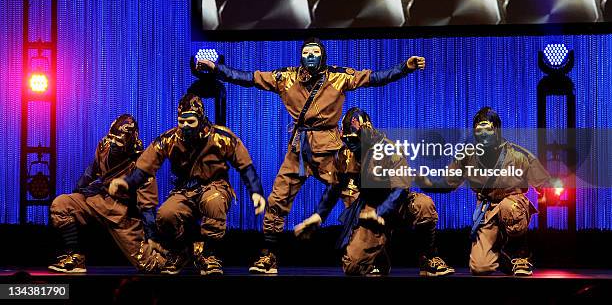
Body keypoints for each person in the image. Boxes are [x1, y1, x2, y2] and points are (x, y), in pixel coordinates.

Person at [196, 38, 426, 273]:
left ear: (323, 55)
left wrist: (404, 67)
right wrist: (218, 69)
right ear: (301, 55)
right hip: (299, 149)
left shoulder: (338, 77)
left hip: (331, 149)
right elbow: (250, 78)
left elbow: (374, 77)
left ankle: (372, 253)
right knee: (278, 200)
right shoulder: (286, 78)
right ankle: (269, 256)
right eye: (306, 52)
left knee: (353, 196)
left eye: (316, 51)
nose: (311, 55)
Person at [109, 94, 265, 275]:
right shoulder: (170, 139)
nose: (185, 126)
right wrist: (126, 182)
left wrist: (256, 191)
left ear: (200, 118)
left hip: (215, 186)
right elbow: (145, 168)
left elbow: (245, 165)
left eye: (190, 121)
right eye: (181, 121)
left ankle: (209, 254)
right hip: (184, 190)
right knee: (166, 215)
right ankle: (183, 251)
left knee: (213, 202)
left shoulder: (221, 137)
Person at [294, 107, 454, 276]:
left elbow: (401, 189)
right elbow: (335, 186)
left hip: (396, 205)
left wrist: (381, 212)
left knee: (423, 205)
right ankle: (379, 258)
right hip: (370, 209)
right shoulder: (344, 154)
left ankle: (429, 257)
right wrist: (318, 216)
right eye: (347, 140)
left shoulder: (388, 149)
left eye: (354, 140)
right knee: (353, 267)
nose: (351, 145)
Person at [442, 106, 553, 276]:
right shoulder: (467, 156)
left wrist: (547, 192)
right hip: (487, 211)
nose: (483, 134)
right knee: (480, 268)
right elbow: (447, 182)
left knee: (509, 207)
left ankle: (520, 255)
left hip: (512, 205)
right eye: (479, 130)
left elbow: (544, 184)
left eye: (488, 129)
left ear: (497, 130)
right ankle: (503, 256)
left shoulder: (518, 155)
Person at [49, 114, 166, 273]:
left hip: (123, 216)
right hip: (98, 200)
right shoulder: (105, 145)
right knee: (62, 203)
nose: (114, 144)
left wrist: (151, 235)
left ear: (129, 141)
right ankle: (75, 258)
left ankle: (175, 255)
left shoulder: (142, 162)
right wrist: (77, 193)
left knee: (149, 265)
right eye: (112, 138)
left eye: (119, 141)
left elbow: (147, 206)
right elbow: (92, 170)